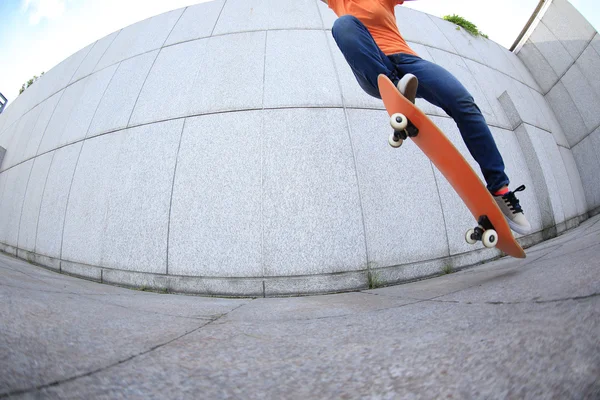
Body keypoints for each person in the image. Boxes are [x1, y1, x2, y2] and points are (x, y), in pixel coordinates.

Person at [321, 0, 531, 235]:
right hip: (374, 69)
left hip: (409, 62)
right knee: (344, 25)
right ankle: (395, 88)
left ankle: (500, 190)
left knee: (463, 102)